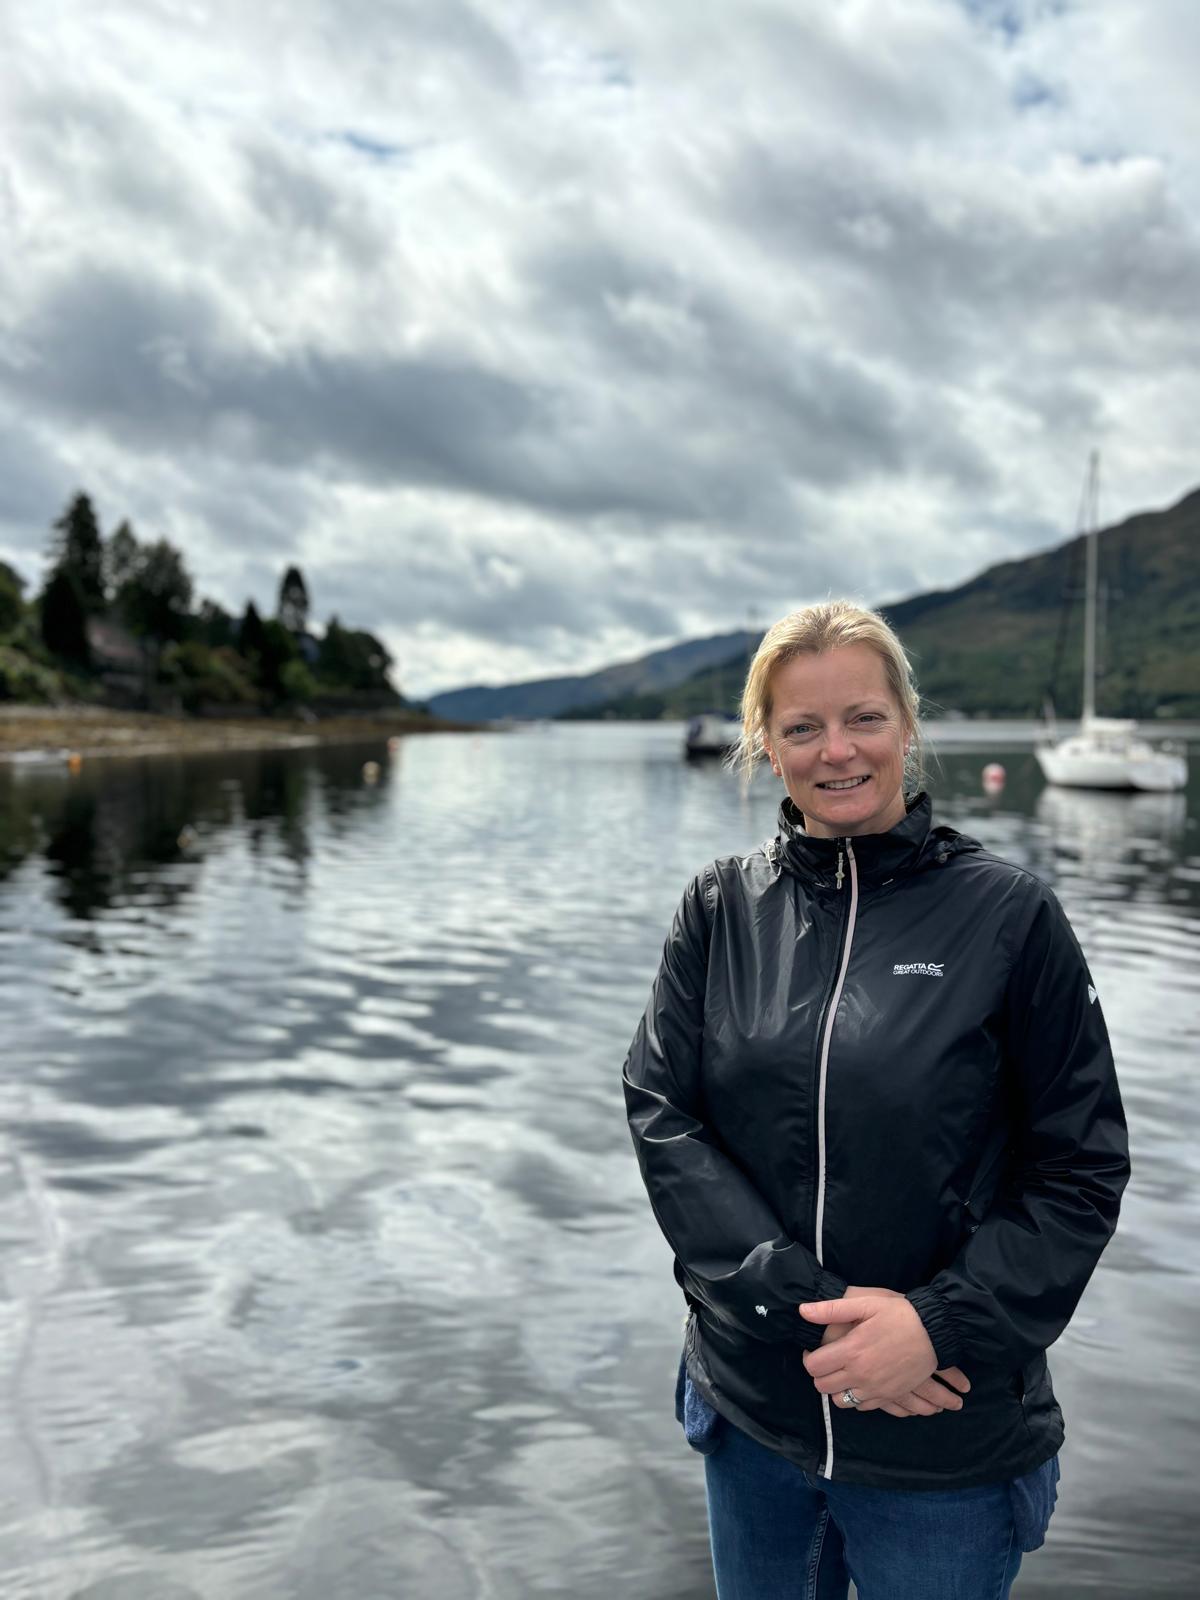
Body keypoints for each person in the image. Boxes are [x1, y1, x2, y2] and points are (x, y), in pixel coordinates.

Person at [622, 600, 1130, 1600]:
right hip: (757, 1417)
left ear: (906, 723)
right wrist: (805, 1311)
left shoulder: (1009, 917)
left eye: (863, 718)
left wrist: (938, 1324)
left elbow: (1079, 1168)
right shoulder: (719, 909)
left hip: (941, 1440)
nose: (837, 750)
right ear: (767, 744)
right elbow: (663, 1117)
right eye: (802, 727)